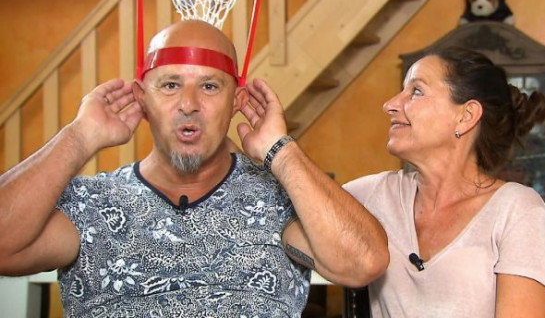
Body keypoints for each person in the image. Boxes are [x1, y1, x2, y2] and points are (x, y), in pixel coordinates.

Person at [0, 20, 389, 317]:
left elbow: (362, 264)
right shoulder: (92, 205)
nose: (188, 104)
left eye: (209, 87)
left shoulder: (278, 204)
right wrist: (79, 137)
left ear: (236, 101)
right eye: (170, 85)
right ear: (141, 98)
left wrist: (281, 152)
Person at [343, 46, 545, 317]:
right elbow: (298, 207)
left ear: (466, 116)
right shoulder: (375, 194)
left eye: (416, 91)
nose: (390, 105)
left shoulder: (516, 209)